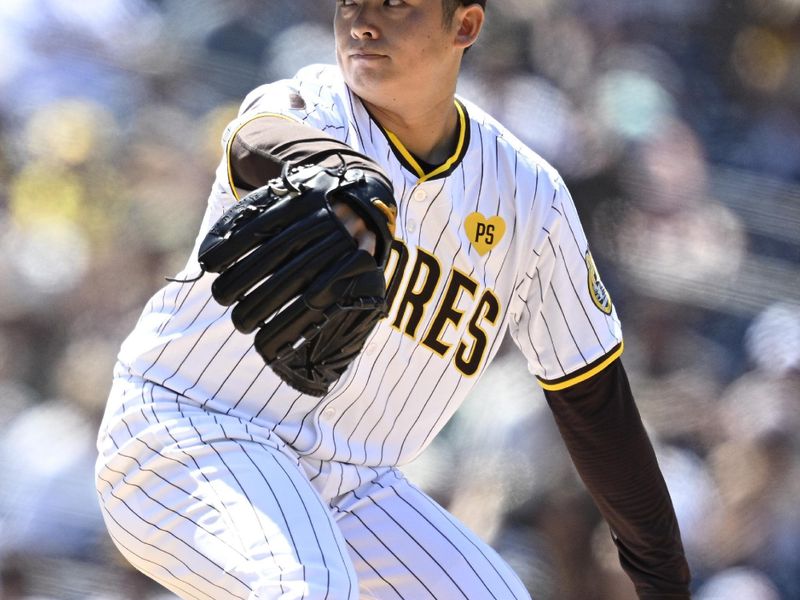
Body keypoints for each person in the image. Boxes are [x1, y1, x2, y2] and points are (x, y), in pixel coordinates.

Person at [95, 1, 691, 598]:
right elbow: (258, 138)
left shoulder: (530, 197)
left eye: (394, 4)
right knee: (306, 588)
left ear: (465, 25)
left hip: (352, 487)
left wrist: (664, 581)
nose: (362, 21)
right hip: (187, 429)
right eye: (350, 1)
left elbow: (594, 404)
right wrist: (328, 170)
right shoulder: (316, 105)